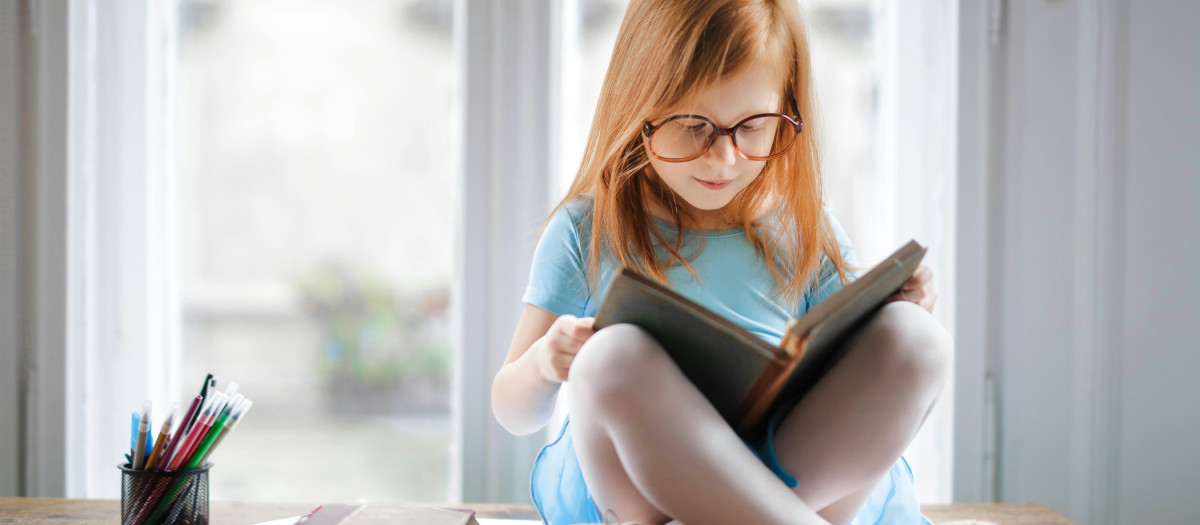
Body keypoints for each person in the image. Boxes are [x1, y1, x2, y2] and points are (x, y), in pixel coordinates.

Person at [491, 1, 950, 523]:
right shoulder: (588, 229)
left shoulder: (804, 228)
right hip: (645, 493)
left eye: (754, 125)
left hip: (789, 471)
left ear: (787, 111)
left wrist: (899, 304)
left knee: (917, 337)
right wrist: (546, 362)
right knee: (608, 358)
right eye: (692, 125)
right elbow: (513, 411)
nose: (723, 158)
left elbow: (854, 371)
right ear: (638, 107)